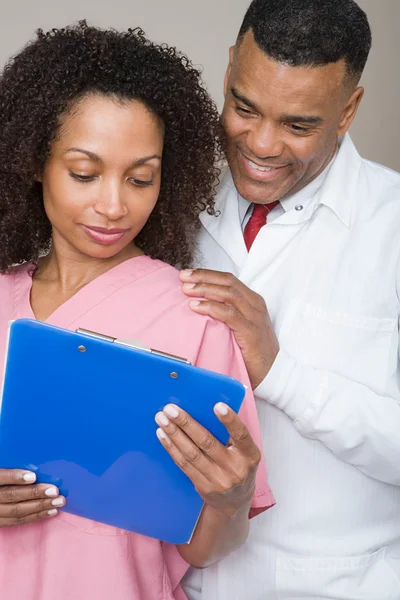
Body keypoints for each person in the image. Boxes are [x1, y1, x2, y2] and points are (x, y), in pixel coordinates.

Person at [0, 22, 274, 600]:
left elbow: (205, 548)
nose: (113, 205)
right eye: (83, 173)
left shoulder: (197, 316)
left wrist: (229, 500)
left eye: (141, 177)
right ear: (32, 161)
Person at [180, 1, 400, 599]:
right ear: (228, 71)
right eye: (244, 107)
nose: (261, 144)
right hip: (179, 582)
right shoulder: (165, 193)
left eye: (299, 125)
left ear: (349, 109)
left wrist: (282, 372)